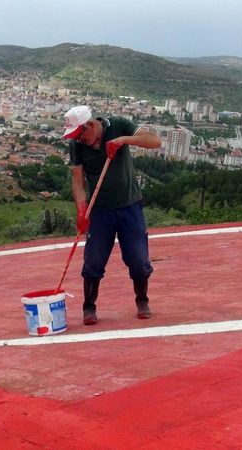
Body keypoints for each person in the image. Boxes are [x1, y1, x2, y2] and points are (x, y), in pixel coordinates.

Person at [62, 105, 162, 325]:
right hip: (99, 210)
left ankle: (142, 300)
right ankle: (89, 307)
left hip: (129, 205)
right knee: (93, 261)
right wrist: (81, 209)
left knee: (138, 259)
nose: (78, 139)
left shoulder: (118, 125)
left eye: (80, 134)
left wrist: (123, 141)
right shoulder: (77, 146)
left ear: (90, 125)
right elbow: (77, 181)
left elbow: (155, 141)